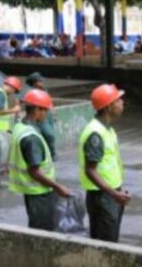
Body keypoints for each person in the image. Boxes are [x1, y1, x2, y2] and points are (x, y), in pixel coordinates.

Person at [8, 89, 72, 230]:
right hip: (38, 192)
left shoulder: (20, 126)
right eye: (45, 110)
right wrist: (58, 187)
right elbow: (34, 171)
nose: (46, 113)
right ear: (36, 110)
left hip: (32, 192)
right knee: (42, 229)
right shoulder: (31, 138)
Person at [79, 84, 131, 242]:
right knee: (106, 243)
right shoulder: (96, 133)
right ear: (109, 106)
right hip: (103, 197)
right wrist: (114, 194)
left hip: (109, 193)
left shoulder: (107, 129)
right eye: (118, 100)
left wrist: (118, 190)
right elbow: (91, 170)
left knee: (110, 238)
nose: (122, 103)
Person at [26, 72, 57, 158]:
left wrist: (53, 113)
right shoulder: (30, 92)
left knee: (50, 135)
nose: (41, 83)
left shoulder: (43, 91)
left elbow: (49, 102)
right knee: (48, 135)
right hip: (39, 117)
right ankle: (50, 153)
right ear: (34, 82)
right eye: (39, 81)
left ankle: (51, 153)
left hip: (47, 115)